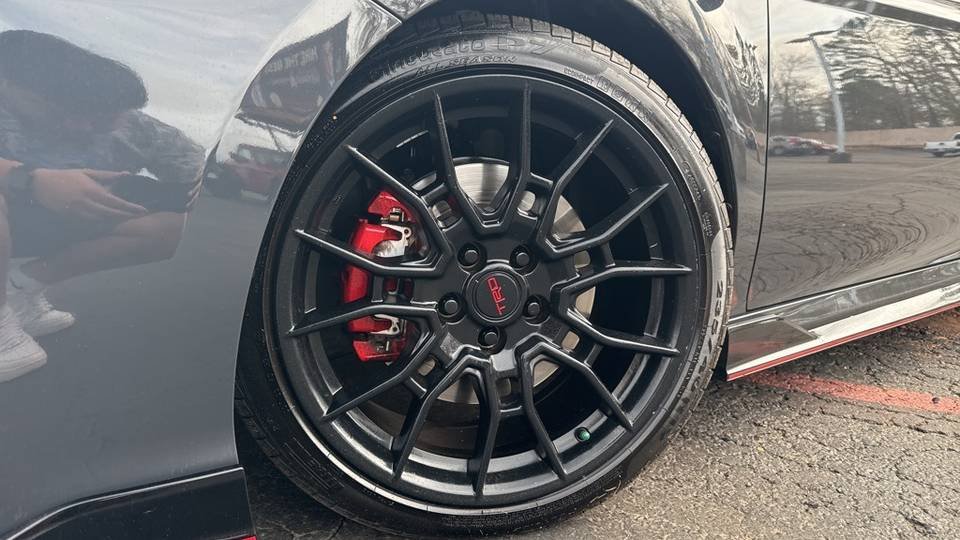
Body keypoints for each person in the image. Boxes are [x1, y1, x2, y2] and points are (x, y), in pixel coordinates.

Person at [0, 30, 203, 382]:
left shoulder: (134, 129)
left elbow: (191, 171)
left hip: (44, 222)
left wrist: (182, 185)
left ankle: (18, 292)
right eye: (56, 109)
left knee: (166, 223)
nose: (78, 124)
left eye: (97, 115)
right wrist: (29, 179)